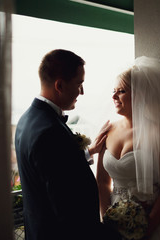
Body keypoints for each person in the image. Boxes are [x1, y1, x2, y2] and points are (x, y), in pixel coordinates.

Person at [15, 49, 120, 240]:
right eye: (79, 84)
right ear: (60, 85)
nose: (82, 91)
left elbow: (53, 170)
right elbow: (68, 208)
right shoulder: (50, 132)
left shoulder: (27, 120)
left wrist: (88, 153)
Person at [96, 56, 160, 239]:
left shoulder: (158, 133)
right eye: (113, 91)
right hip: (113, 221)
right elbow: (102, 182)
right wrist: (106, 219)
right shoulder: (108, 130)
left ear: (140, 95)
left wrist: (145, 229)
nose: (114, 96)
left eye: (121, 91)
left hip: (151, 221)